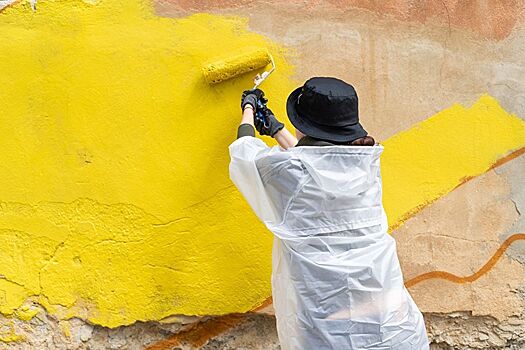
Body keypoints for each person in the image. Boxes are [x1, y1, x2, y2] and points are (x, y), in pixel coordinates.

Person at [229, 77, 429, 349]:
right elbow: (314, 164)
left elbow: (245, 156)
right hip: (390, 322)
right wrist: (276, 129)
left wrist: (249, 109)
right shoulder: (366, 162)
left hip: (323, 320)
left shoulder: (289, 172)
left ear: (304, 126)